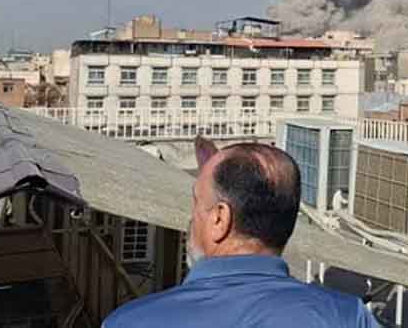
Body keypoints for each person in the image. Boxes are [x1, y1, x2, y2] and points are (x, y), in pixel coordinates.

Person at [104, 140, 378, 327]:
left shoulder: (131, 322)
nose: (192, 218)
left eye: (196, 202)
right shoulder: (348, 317)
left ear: (219, 219)